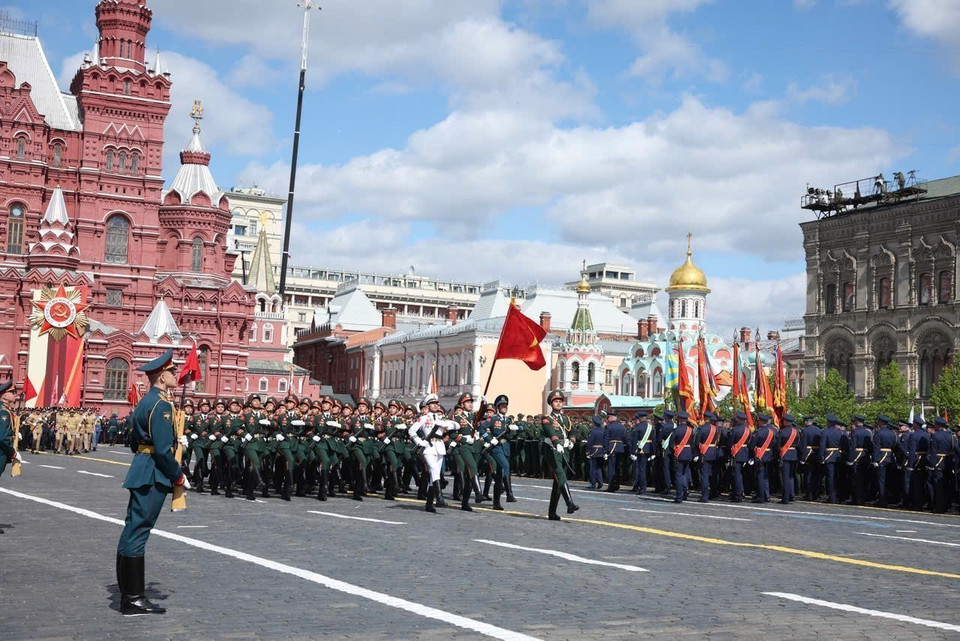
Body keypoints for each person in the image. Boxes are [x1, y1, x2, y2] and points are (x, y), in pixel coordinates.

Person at [116, 349, 190, 616]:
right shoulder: (162, 405)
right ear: (161, 377)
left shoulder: (146, 402)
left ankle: (128, 594)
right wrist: (178, 475)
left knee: (132, 529)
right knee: (139, 531)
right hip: (152, 474)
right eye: (172, 372)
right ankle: (133, 598)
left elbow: (134, 442)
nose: (175, 375)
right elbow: (162, 450)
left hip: (142, 468)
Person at [540, 390, 579, 520]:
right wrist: (557, 443)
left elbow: (572, 432)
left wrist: (572, 441)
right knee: (560, 474)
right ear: (551, 404)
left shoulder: (566, 419)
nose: (558, 403)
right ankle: (569, 503)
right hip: (552, 450)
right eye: (556, 401)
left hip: (564, 451)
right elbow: (550, 431)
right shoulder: (547, 418)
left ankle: (552, 512)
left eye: (560, 401)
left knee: (558, 482)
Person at [777, 414, 800, 504]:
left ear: (785, 422)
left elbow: (778, 446)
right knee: (791, 476)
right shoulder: (796, 432)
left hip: (785, 455)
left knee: (785, 477)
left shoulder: (782, 432)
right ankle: (791, 495)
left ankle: (785, 498)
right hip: (794, 455)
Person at [602, 411, 625, 492]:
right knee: (618, 467)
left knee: (611, 468)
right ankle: (617, 484)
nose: (607, 419)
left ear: (611, 418)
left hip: (612, 447)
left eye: (608, 417)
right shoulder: (622, 427)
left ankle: (611, 485)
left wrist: (605, 451)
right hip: (620, 447)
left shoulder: (609, 427)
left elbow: (606, 439)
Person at [586, 415, 605, 490]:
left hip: (594, 450)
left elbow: (590, 442)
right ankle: (600, 482)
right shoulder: (603, 431)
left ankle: (593, 483)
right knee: (599, 468)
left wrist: (587, 451)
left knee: (593, 468)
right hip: (601, 450)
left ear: (594, 423)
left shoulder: (593, 431)